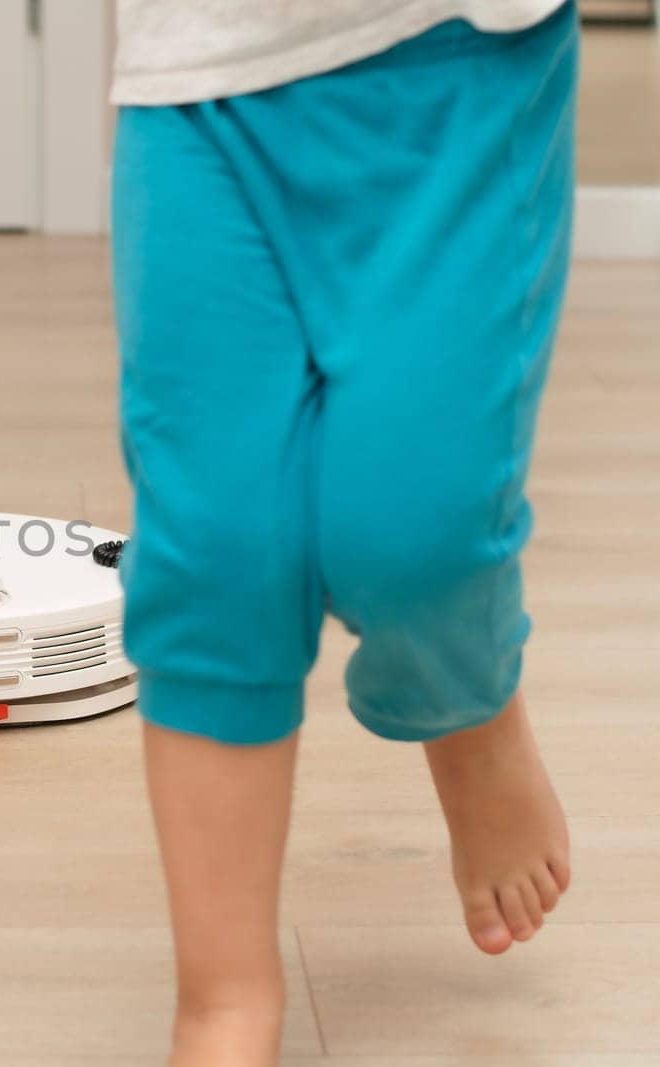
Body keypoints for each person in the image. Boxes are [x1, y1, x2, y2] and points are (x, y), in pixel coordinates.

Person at [108, 2, 578, 1063]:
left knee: (417, 533)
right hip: (201, 77)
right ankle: (223, 1000)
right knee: (214, 551)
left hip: (460, 62)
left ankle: (468, 707)